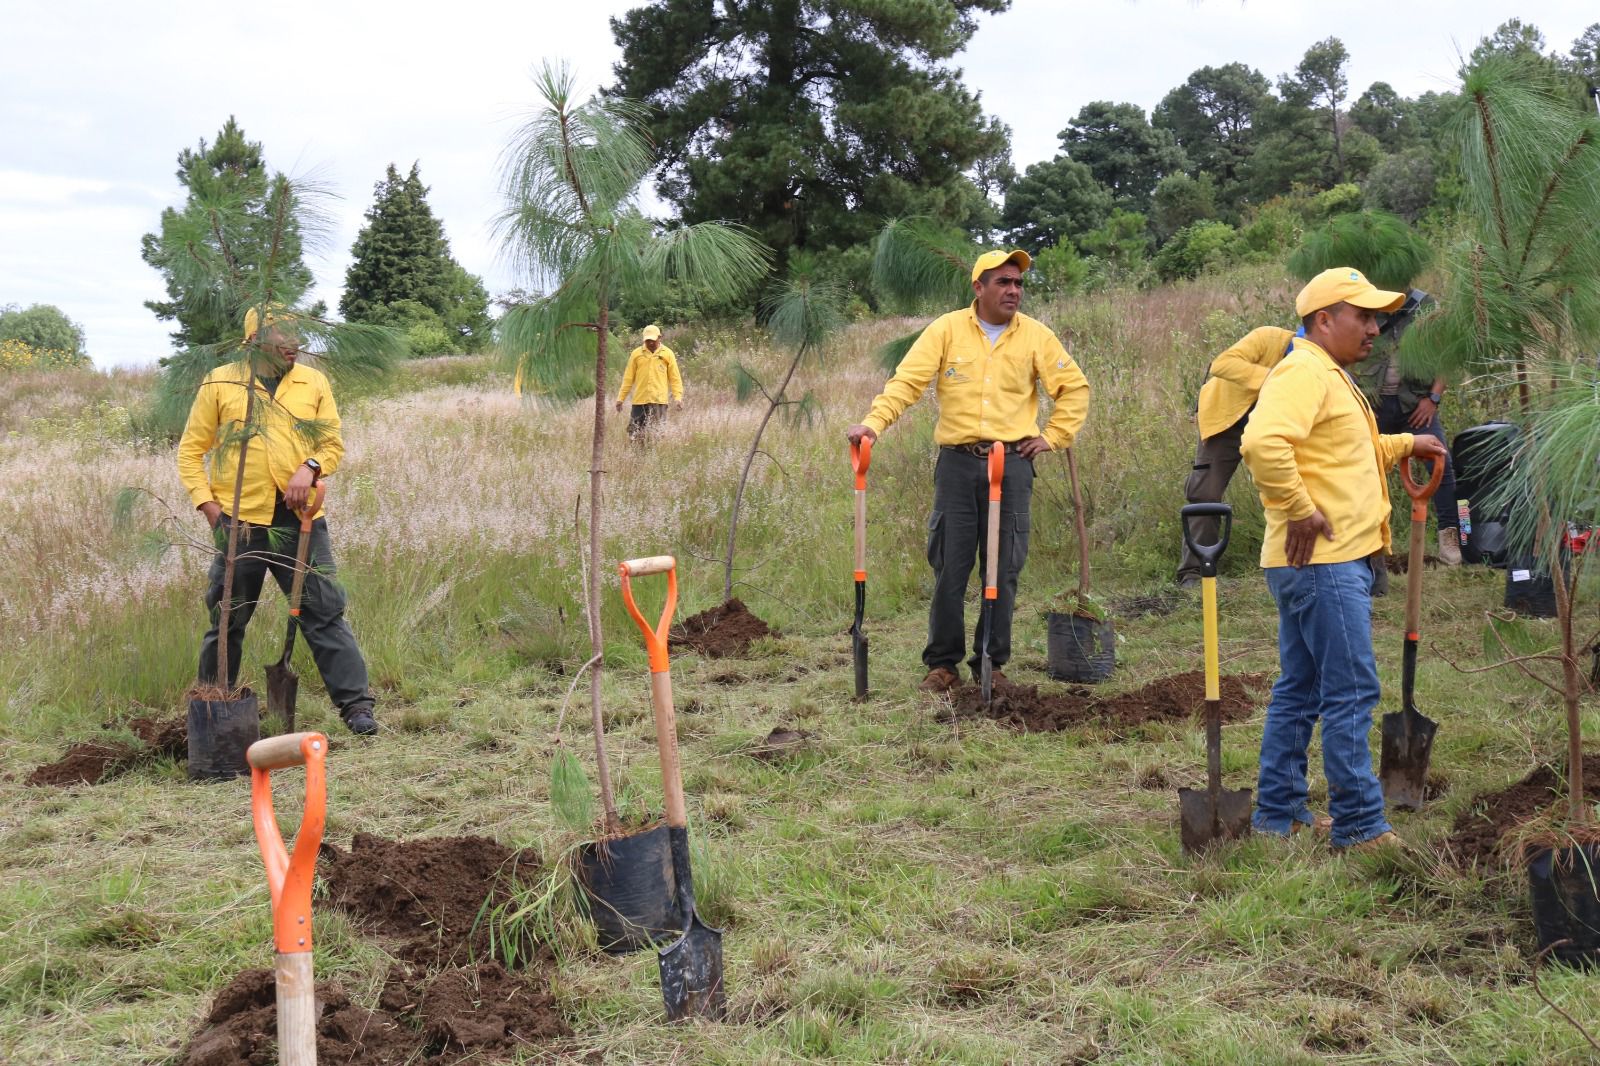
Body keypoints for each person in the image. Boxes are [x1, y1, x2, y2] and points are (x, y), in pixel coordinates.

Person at [1239, 268, 1448, 851]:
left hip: (1318, 563)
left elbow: (1347, 448)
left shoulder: (1329, 374)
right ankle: (1358, 824)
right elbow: (1262, 443)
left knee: (1300, 689)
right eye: (1364, 317)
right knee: (1351, 689)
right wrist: (1301, 510)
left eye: (1379, 317)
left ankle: (1279, 814)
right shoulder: (1304, 371)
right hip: (1323, 561)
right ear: (1324, 319)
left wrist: (1408, 442)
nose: (1376, 329)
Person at [846, 250, 1090, 693]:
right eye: (1003, 282)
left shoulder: (1036, 336)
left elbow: (1073, 388)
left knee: (1003, 568)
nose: (1013, 290)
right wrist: (874, 424)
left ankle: (991, 663)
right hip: (958, 466)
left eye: (1017, 283)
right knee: (950, 565)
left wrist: (1053, 436)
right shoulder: (946, 330)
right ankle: (942, 664)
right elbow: (907, 383)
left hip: (1013, 465)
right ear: (979, 288)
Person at [177, 308, 379, 736]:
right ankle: (215, 712)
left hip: (301, 519)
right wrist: (210, 509)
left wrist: (310, 467)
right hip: (239, 521)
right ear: (253, 340)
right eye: (282, 337)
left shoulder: (314, 382)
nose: (294, 345)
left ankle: (358, 709)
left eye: (297, 335)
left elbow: (332, 443)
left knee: (323, 613)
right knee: (228, 618)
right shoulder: (221, 381)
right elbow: (190, 451)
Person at [1177, 326, 1297, 588]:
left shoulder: (1320, 363)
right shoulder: (1268, 338)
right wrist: (1276, 377)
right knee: (1204, 493)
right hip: (1226, 419)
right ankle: (1193, 573)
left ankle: (1299, 564)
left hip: (1274, 425)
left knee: (1299, 487)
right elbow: (1222, 364)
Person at [1352, 289, 1462, 566]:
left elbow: (1446, 357)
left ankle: (1450, 537)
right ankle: (1366, 543)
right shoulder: (1365, 303)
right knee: (1364, 467)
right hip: (1373, 404)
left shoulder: (1426, 307)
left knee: (1440, 464)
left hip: (1416, 406)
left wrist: (1433, 399)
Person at [615, 324, 683, 438]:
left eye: (653, 340)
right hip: (639, 401)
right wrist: (620, 399)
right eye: (648, 340)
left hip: (659, 401)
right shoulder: (636, 354)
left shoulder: (667, 354)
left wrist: (678, 398)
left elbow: (675, 378)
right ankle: (636, 455)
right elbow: (628, 378)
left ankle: (654, 455)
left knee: (657, 434)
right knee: (634, 434)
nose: (650, 343)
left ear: (659, 338)